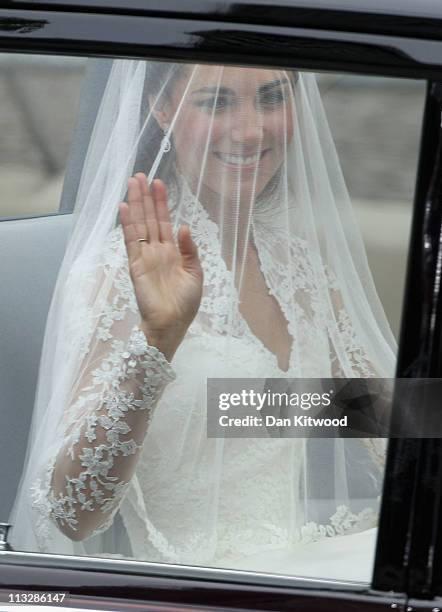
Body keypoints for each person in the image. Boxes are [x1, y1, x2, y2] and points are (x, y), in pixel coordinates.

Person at [9, 60, 396, 579]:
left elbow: (372, 423)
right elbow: (72, 515)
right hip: (194, 586)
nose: (251, 129)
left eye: (273, 98)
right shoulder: (112, 276)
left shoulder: (298, 265)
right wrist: (157, 343)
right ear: (161, 107)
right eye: (216, 102)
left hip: (301, 567)